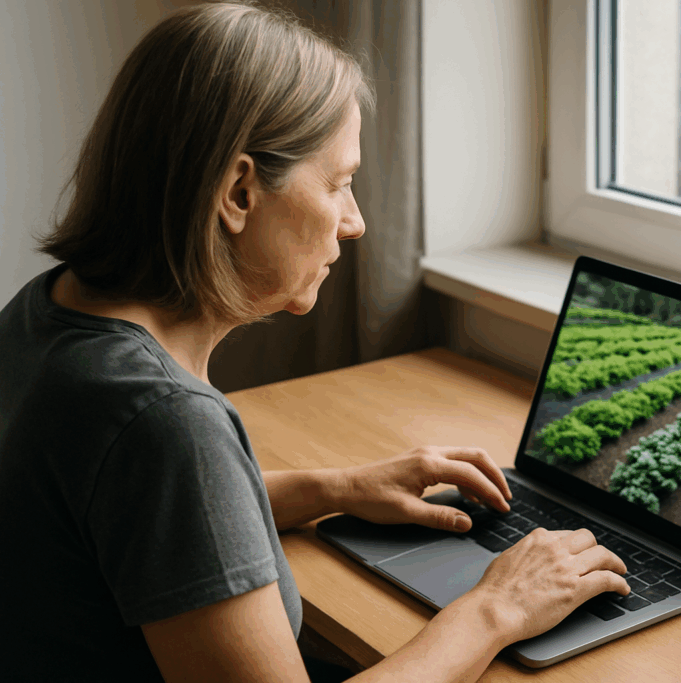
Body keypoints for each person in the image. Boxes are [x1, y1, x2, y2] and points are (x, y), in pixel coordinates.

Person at [0, 2, 629, 681]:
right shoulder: (165, 423)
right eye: (339, 183)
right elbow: (162, 471)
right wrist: (496, 607)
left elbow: (131, 516)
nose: (354, 222)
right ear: (239, 192)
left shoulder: (49, 309)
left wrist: (338, 485)